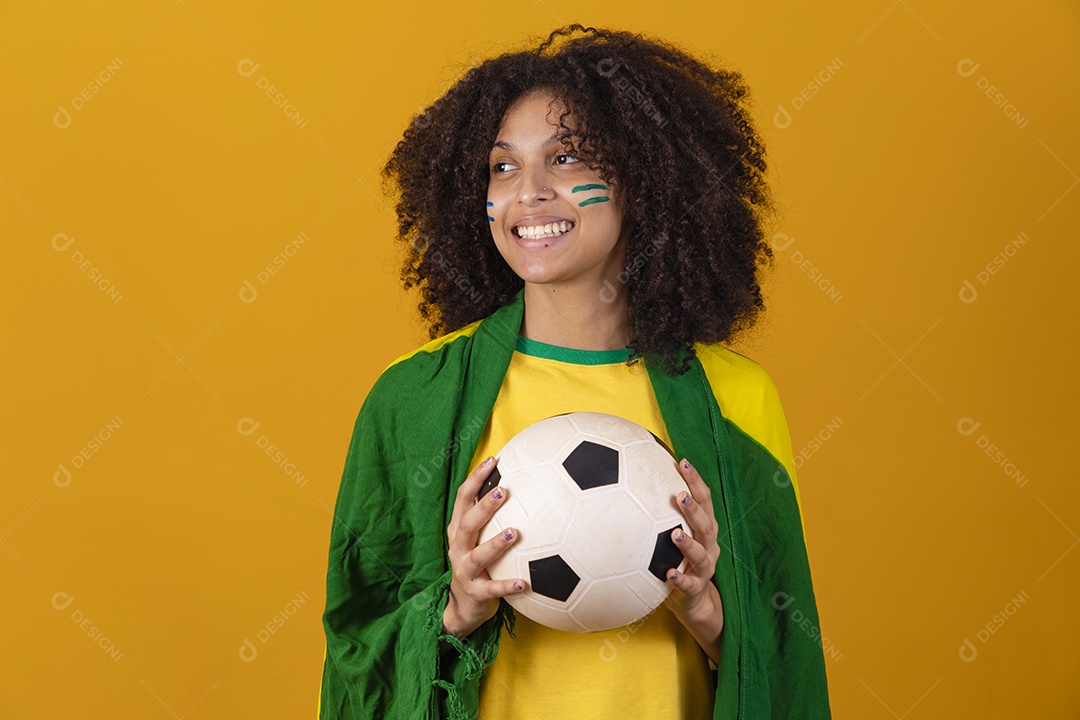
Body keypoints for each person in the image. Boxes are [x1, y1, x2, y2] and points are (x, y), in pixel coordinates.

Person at [318, 24, 830, 720]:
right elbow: (356, 646)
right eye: (503, 167)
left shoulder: (735, 398)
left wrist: (707, 607)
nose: (528, 192)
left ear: (645, 180)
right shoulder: (417, 398)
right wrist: (454, 610)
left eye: (567, 159)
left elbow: (784, 657)